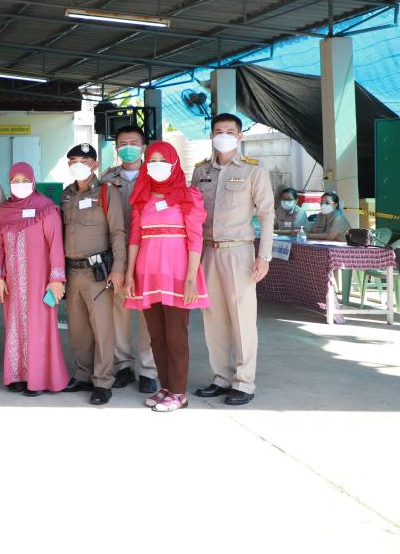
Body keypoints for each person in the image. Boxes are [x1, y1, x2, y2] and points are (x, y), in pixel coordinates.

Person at [191, 113, 275, 407]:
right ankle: (221, 378)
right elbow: (193, 215)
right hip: (207, 251)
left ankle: (244, 382)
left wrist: (264, 256)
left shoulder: (253, 170)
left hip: (239, 252)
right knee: (213, 317)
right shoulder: (200, 171)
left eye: (229, 131)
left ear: (239, 136)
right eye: (218, 131)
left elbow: (267, 214)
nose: (223, 135)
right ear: (211, 135)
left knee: (242, 318)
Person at [123, 142, 209, 413]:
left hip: (177, 274)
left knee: (175, 335)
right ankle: (166, 387)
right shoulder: (142, 196)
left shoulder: (189, 195)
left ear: (174, 163)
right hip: (147, 274)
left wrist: (191, 278)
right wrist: (129, 275)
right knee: (156, 336)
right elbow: (134, 238)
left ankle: (179, 392)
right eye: (152, 160)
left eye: (163, 160)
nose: (156, 165)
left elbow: (195, 239)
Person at [0, 162, 68, 396]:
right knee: (15, 328)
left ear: (33, 181)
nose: (20, 185)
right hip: (13, 283)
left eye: (25, 180)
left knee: (39, 329)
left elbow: (56, 246)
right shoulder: (5, 211)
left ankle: (38, 379)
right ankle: (17, 376)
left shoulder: (46, 208)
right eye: (16, 181)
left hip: (40, 282)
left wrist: (56, 280)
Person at [60, 143, 126, 405]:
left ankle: (103, 380)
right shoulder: (66, 195)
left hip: (97, 272)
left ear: (95, 165)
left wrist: (118, 268)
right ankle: (83, 374)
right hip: (72, 272)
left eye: (85, 161)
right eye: (73, 161)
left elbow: (118, 233)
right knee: (78, 330)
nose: (78, 165)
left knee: (102, 329)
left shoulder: (107, 192)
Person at [100, 125, 159, 394]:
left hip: (149, 251)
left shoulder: (156, 174)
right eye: (123, 143)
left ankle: (148, 369)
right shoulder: (107, 177)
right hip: (117, 252)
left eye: (134, 143)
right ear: (116, 148)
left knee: (148, 311)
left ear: (144, 147)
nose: (128, 147)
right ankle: (123, 364)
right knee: (118, 310)